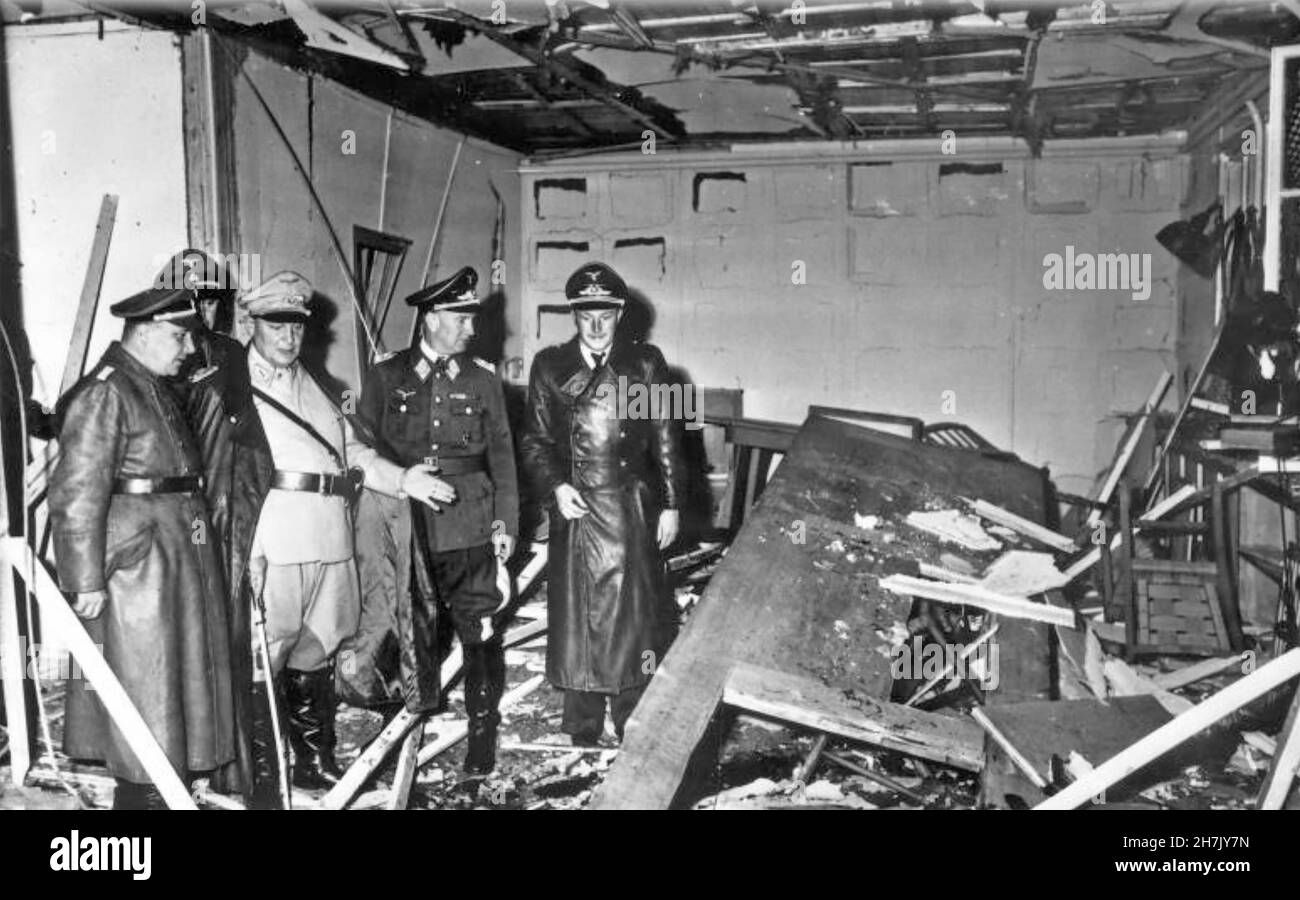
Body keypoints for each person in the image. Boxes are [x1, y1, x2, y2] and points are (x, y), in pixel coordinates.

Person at [200, 270, 446, 803]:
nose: (288, 338)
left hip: (331, 535)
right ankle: (261, 775)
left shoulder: (316, 384)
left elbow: (351, 454)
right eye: (276, 325)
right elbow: (225, 477)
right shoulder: (230, 386)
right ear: (251, 322)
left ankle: (313, 763)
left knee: (317, 651)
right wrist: (251, 550)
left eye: (296, 327)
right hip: (277, 540)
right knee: (266, 654)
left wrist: (403, 479)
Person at [49, 286, 236, 809]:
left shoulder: (150, 386)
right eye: (179, 337)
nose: (187, 350)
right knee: (145, 687)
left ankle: (167, 787)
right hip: (139, 566)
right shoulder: (107, 392)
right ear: (145, 331)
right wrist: (83, 579)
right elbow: (76, 491)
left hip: (173, 551)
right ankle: (140, 803)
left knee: (174, 684)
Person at [358, 266, 519, 777]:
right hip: (409, 523)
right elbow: (365, 451)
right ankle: (397, 725)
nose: (471, 329)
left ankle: (480, 737)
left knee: (480, 628)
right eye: (460, 318)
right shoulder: (386, 375)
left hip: (471, 519)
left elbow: (504, 459)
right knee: (407, 623)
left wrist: (506, 523)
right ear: (430, 318)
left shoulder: (485, 378)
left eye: (472, 318)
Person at [519, 261, 685, 746]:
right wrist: (555, 487)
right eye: (586, 314)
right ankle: (583, 722)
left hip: (629, 502)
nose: (595, 325)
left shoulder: (645, 365)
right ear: (574, 314)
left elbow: (665, 437)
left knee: (634, 614)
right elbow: (534, 440)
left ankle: (630, 714)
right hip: (577, 505)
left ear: (620, 314)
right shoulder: (550, 366)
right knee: (578, 617)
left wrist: (671, 503)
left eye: (605, 315)